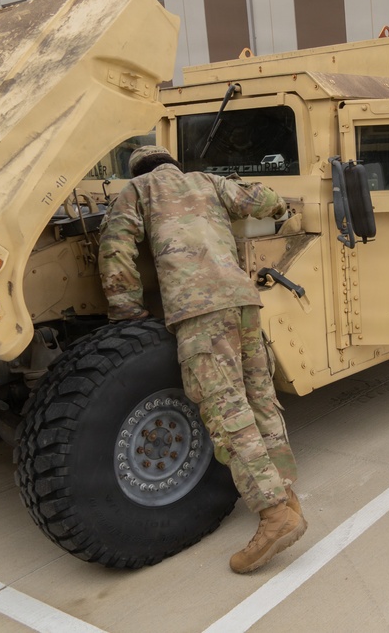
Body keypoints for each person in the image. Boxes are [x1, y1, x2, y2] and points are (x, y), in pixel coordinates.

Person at [98, 145, 306, 572]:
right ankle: (286, 495)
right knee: (260, 400)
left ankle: (274, 515)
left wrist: (127, 312)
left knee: (228, 413)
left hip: (199, 312)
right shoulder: (209, 182)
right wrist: (278, 202)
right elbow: (263, 201)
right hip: (244, 302)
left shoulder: (136, 190)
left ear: (138, 170)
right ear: (172, 164)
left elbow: (115, 248)